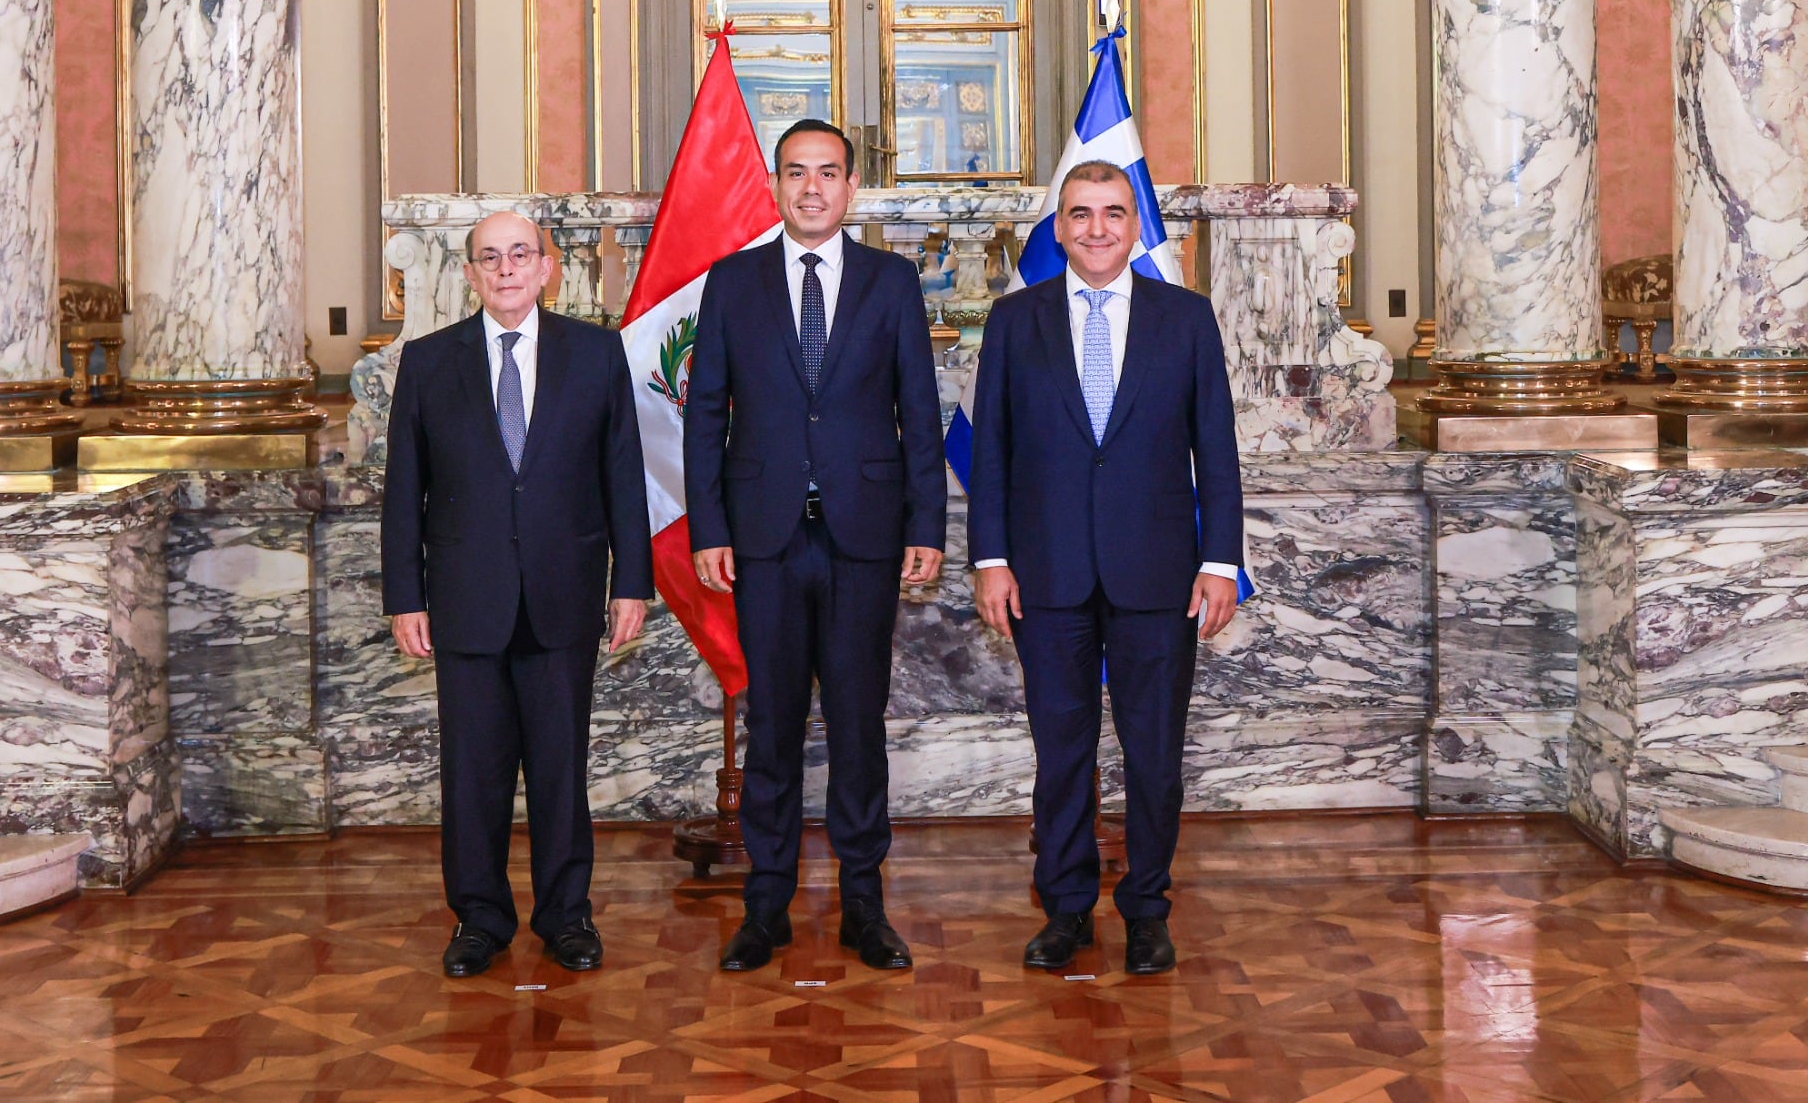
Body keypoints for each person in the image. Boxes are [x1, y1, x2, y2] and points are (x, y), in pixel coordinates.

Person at [966, 160, 1244, 976]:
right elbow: (993, 456)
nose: (1095, 228)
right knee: (1061, 754)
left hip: (1158, 577)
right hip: (1044, 578)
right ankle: (1065, 911)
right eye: (1080, 214)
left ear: (1136, 227)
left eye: (1113, 213)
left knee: (1154, 754)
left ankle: (1148, 911)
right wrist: (991, 559)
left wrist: (1221, 561)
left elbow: (1216, 454)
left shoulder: (1186, 319)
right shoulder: (1016, 321)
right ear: (1058, 228)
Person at [683, 119, 948, 973]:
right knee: (773, 728)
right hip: (762, 540)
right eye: (796, 173)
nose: (811, 189)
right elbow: (704, 416)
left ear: (851, 187)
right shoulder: (732, 282)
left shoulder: (891, 283)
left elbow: (920, 418)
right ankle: (766, 909)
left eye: (828, 173)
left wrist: (927, 527)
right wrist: (710, 527)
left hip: (864, 538)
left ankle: (864, 906)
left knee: (860, 725)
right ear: (774, 183)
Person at [381, 210, 652, 979]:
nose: (505, 269)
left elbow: (622, 477)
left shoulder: (597, 355)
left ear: (547, 269)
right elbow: (406, 492)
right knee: (475, 771)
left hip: (564, 595)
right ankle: (479, 919)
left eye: (520, 255)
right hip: (465, 601)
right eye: (489, 258)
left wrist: (630, 583)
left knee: (561, 767)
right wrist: (406, 595)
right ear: (469, 275)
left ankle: (566, 917)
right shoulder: (431, 364)